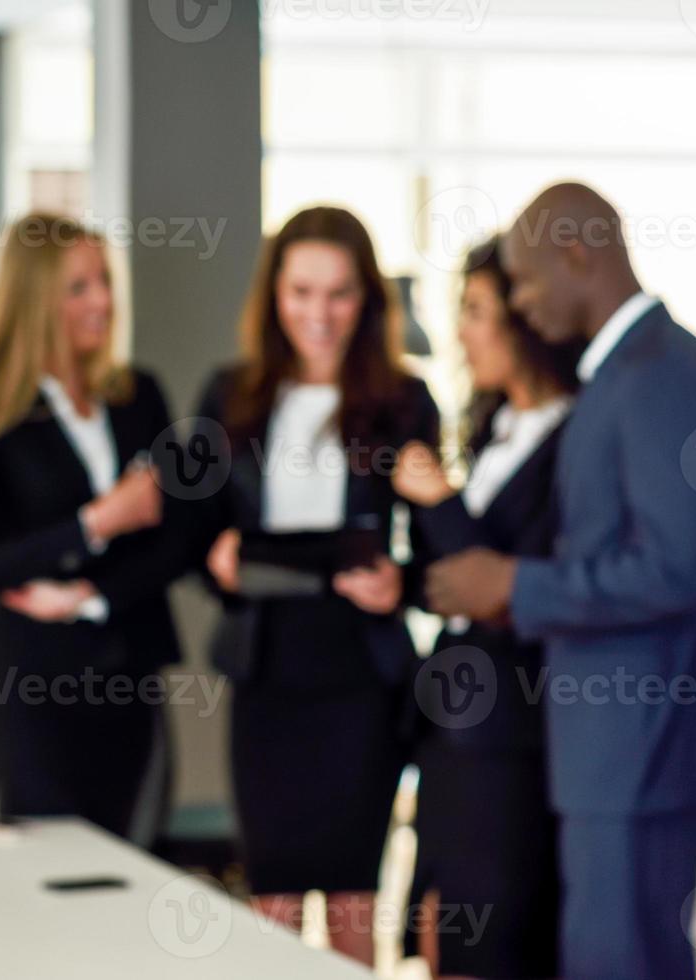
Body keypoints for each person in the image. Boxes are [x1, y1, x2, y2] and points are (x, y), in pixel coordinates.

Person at [427, 182, 696, 979]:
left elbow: (680, 566)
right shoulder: (627, 371)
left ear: (576, 254)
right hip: (611, 748)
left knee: (621, 961)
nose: (521, 305)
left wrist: (516, 586)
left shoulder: (665, 372)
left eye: (523, 281)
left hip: (640, 741)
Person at [195, 205, 438, 965]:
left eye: (337, 294)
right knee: (268, 896)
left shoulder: (404, 401)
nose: (318, 314)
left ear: (366, 299)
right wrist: (217, 557)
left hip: (359, 678)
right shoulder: (229, 395)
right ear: (273, 296)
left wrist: (402, 583)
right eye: (301, 292)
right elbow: (189, 530)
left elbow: (439, 546)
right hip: (267, 674)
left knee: (350, 899)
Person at [0, 213, 187, 845]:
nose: (103, 299)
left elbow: (179, 537)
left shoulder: (138, 395)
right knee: (40, 875)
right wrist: (96, 523)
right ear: (34, 299)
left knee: (131, 864)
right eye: (79, 287)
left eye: (103, 281)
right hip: (33, 685)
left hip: (130, 670)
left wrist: (91, 597)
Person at [394, 236, 583, 979]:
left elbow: (509, 587)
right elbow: (453, 580)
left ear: (525, 317)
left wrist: (440, 502)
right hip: (450, 727)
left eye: (474, 312)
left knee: (488, 940)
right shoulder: (491, 429)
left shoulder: (575, 441)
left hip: (508, 735)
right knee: (439, 925)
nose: (460, 334)